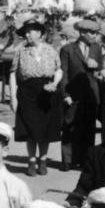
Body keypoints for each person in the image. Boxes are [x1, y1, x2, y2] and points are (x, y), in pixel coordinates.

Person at [11, 16, 64, 176]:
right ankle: (31, 161)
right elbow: (13, 74)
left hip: (46, 93)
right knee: (30, 130)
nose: (27, 35)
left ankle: (43, 161)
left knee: (45, 130)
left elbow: (59, 70)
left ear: (39, 33)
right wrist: (13, 98)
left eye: (30, 32)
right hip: (27, 94)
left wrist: (55, 83)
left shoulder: (51, 51)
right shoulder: (20, 51)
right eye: (25, 32)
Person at [59, 16, 104, 171]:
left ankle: (86, 161)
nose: (95, 36)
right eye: (92, 33)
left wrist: (97, 66)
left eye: (96, 34)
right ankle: (67, 161)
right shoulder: (67, 50)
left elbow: (102, 70)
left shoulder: (96, 49)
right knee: (69, 128)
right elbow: (63, 74)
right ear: (83, 33)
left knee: (88, 129)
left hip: (91, 95)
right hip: (73, 95)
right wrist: (65, 94)